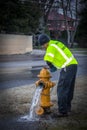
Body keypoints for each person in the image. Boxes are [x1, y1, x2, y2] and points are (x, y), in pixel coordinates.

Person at [38, 34, 78, 117]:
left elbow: (48, 60)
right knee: (68, 88)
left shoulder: (50, 46)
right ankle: (67, 108)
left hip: (67, 66)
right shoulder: (55, 43)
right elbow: (59, 57)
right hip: (73, 65)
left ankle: (62, 112)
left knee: (62, 89)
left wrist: (51, 66)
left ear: (45, 43)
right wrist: (53, 67)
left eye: (42, 45)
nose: (43, 47)